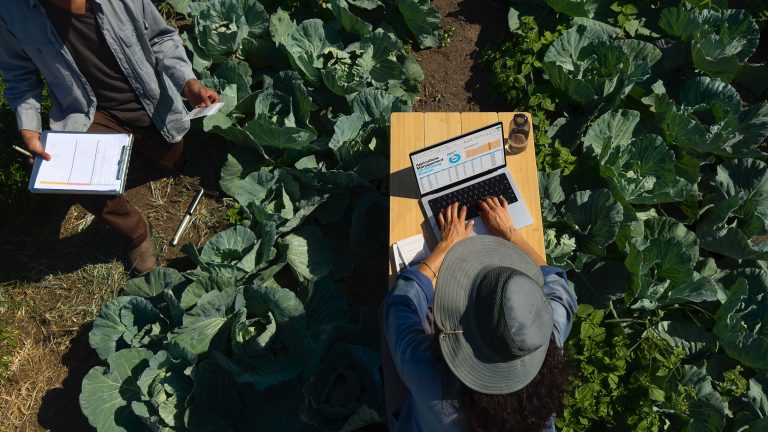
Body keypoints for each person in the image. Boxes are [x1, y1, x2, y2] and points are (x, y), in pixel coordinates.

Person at [0, 0, 219, 274]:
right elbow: (20, 77)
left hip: (149, 102)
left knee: (173, 161)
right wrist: (30, 131)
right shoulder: (11, 11)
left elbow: (161, 37)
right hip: (86, 113)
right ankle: (135, 231)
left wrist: (188, 82)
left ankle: (141, 150)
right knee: (70, 172)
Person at [382, 197, 577, 431]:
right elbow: (560, 290)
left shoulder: (428, 376)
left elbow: (400, 305)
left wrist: (445, 248)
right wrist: (510, 232)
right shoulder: (539, 341)